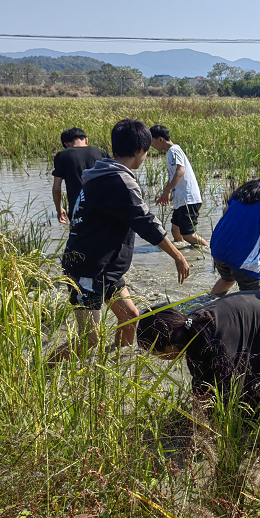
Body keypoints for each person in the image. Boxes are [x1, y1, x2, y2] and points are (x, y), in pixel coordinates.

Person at [58, 119, 190, 361]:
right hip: (88, 269)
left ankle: (117, 370)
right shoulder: (120, 181)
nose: (146, 157)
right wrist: (178, 256)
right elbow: (147, 224)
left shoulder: (101, 173)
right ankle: (39, 370)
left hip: (105, 267)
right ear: (140, 150)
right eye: (147, 152)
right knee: (89, 340)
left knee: (130, 319)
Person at [136, 291, 260, 405]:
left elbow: (229, 389)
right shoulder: (190, 327)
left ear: (170, 346)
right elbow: (201, 381)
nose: (155, 357)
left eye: (154, 352)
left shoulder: (219, 344)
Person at [150, 125, 209, 248]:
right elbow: (173, 175)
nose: (152, 145)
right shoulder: (171, 152)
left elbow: (180, 171)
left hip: (188, 199)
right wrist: (165, 192)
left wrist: (168, 191)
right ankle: (185, 255)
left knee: (188, 235)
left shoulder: (173, 150)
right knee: (175, 230)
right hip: (182, 200)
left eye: (152, 141)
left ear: (160, 139)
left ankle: (210, 250)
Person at [51, 128, 109, 223]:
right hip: (103, 209)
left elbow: (57, 188)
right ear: (86, 140)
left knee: (78, 236)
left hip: (78, 211)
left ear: (66, 145)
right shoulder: (100, 153)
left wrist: (59, 209)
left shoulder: (62, 156)